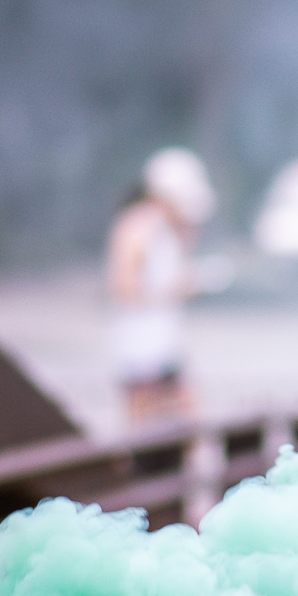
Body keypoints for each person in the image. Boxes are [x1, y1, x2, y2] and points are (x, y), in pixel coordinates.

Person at [106, 147, 218, 423]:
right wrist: (173, 289)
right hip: (141, 350)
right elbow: (123, 287)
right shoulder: (138, 225)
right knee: (144, 430)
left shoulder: (164, 227)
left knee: (183, 424)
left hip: (163, 345)